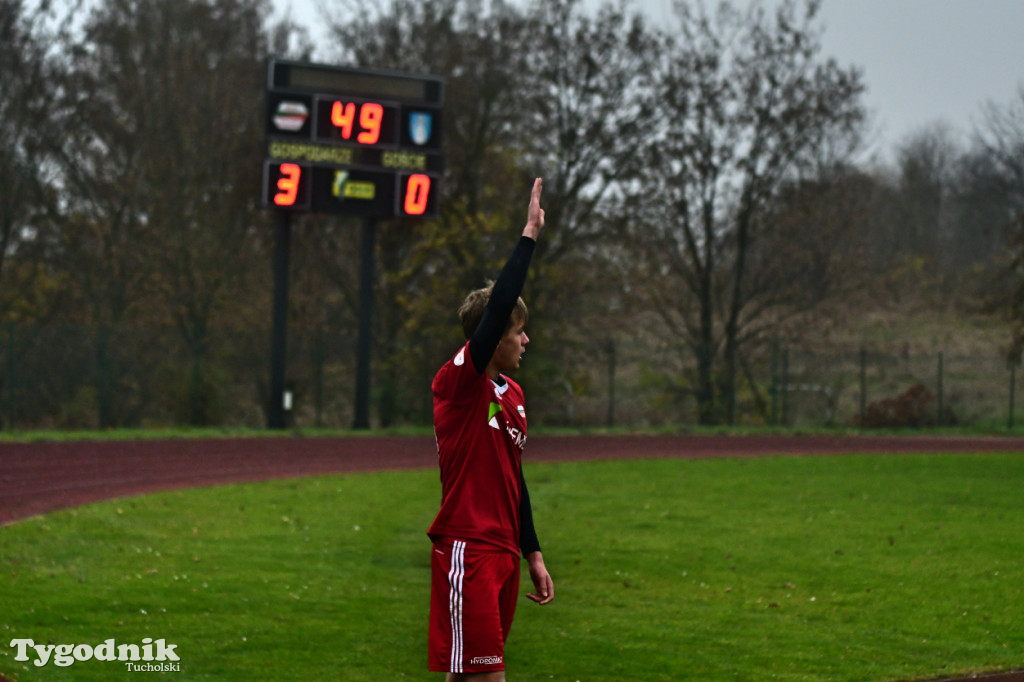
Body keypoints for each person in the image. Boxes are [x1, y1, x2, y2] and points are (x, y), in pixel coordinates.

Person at [427, 178, 554, 681]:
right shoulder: (460, 383)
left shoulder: (514, 398)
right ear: (493, 337)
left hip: (503, 553)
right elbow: (498, 304)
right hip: (469, 549)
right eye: (518, 331)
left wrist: (534, 554)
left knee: (469, 677)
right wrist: (528, 235)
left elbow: (513, 481)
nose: (526, 338)